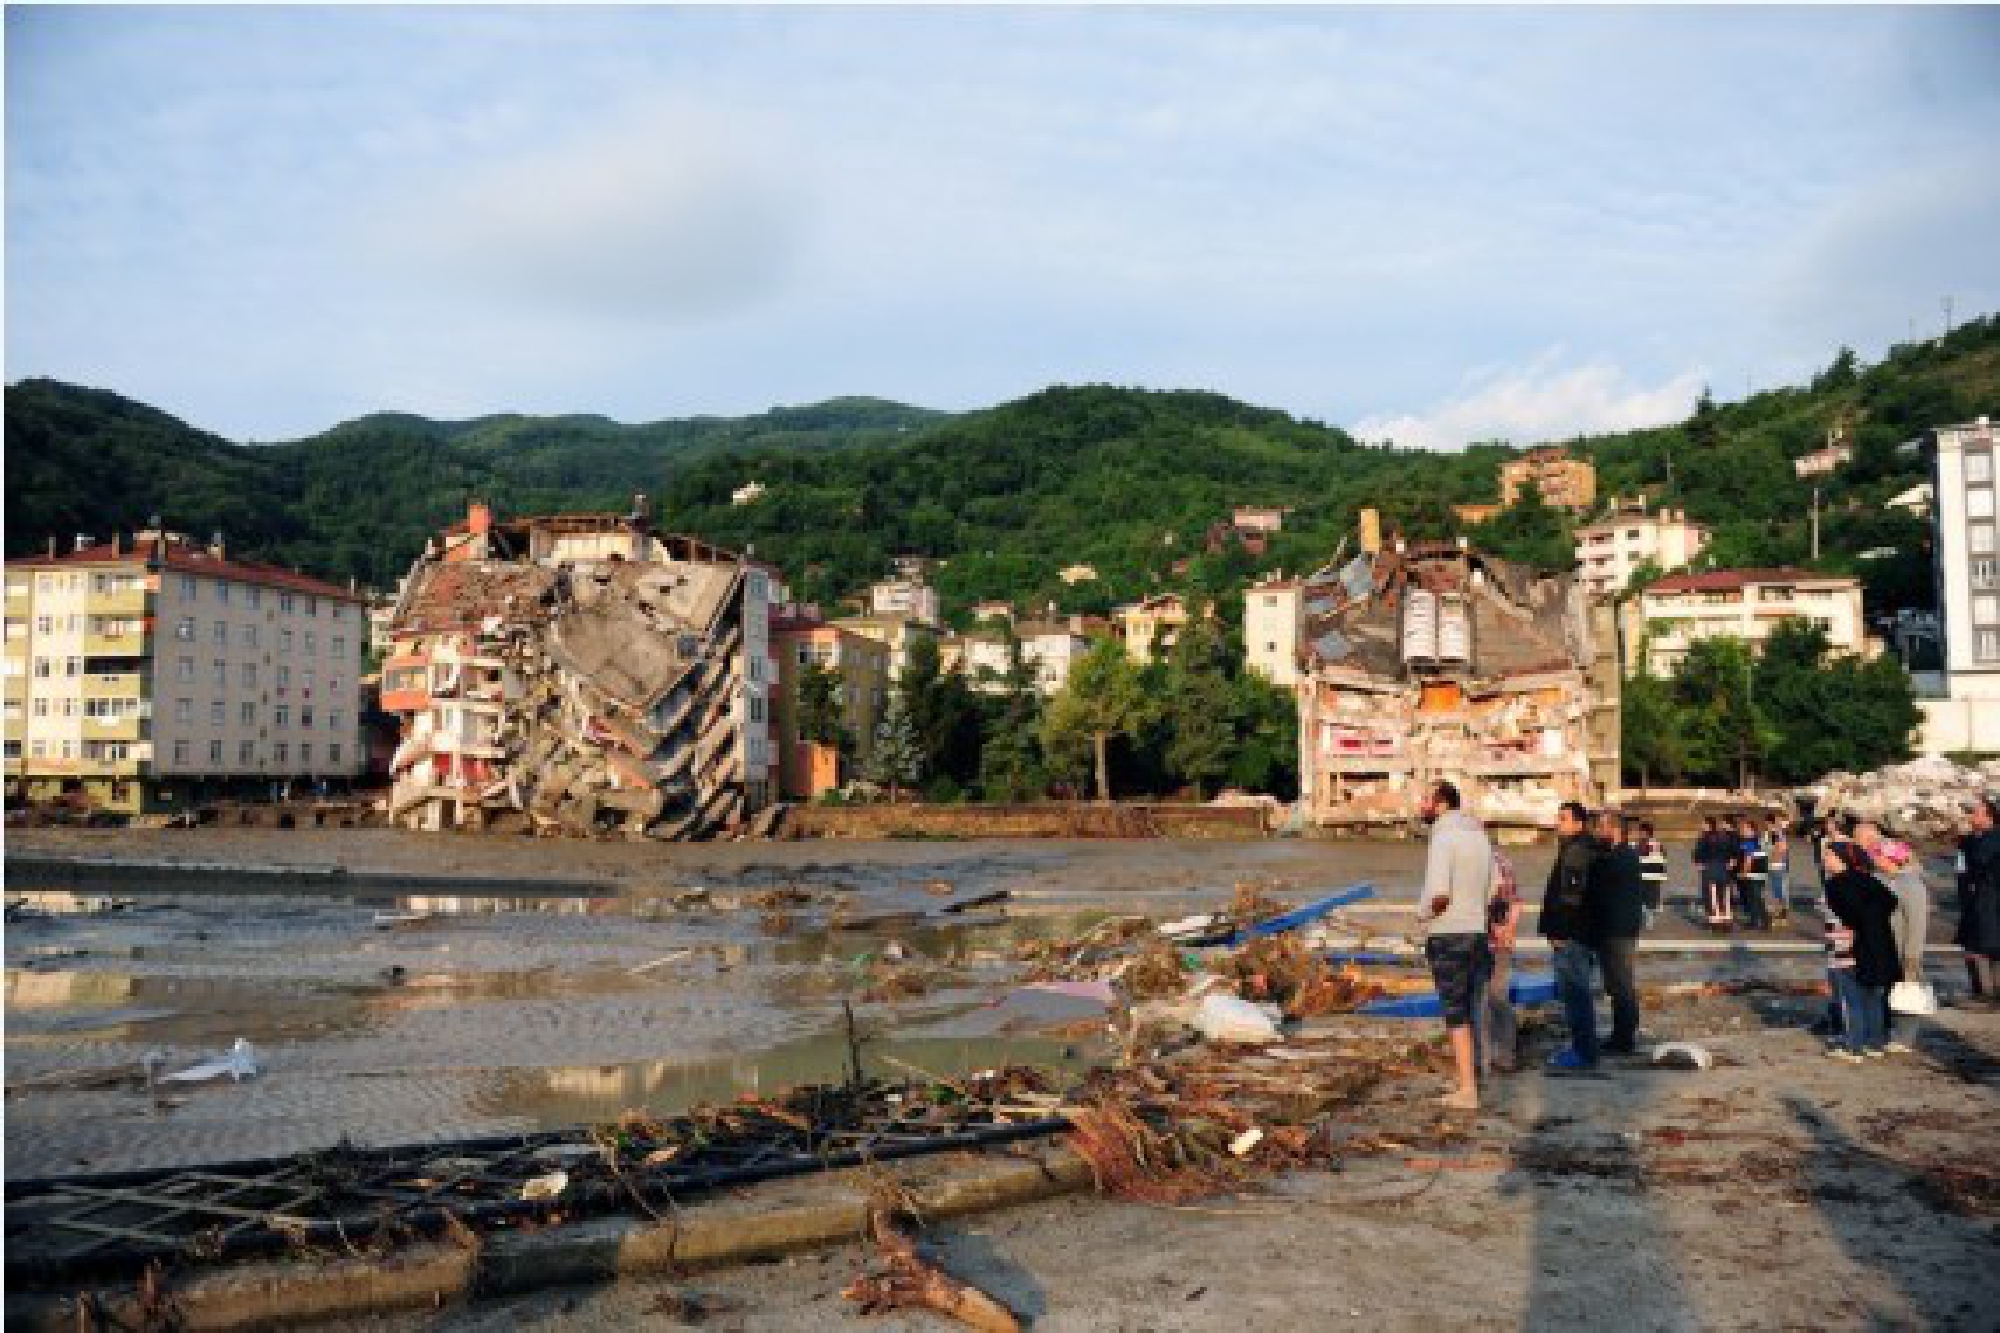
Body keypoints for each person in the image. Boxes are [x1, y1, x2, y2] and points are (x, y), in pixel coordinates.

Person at [1417, 780, 1495, 1110]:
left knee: (1455, 1013)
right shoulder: (1479, 835)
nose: (1420, 805)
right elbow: (1494, 887)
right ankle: (1475, 1076)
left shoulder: (1443, 836)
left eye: (1425, 799)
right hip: (1477, 931)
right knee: (1473, 1006)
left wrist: (1422, 916)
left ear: (1440, 804)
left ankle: (1467, 1089)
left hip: (1449, 932)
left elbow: (1439, 893)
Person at [1821, 840, 1902, 1062]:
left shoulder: (1836, 884)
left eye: (1829, 855)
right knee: (1874, 998)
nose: (1825, 859)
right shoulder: (1868, 880)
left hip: (1849, 947)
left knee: (1851, 1000)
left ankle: (1853, 1046)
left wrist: (1861, 925)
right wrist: (1873, 921)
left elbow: (1849, 917)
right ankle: (1875, 1044)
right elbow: (1891, 901)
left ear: (1842, 860)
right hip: (1880, 946)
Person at [1542, 800, 1603, 1071]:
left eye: (1563, 818)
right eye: (1558, 817)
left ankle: (1583, 1051)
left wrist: (1559, 932)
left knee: (1575, 992)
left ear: (1579, 823)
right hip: (1581, 933)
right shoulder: (1578, 848)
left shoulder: (1577, 851)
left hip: (1572, 937)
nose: (1558, 822)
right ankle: (1583, 1046)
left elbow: (1570, 898)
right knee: (1577, 991)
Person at [1593, 812, 1648, 1055]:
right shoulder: (1623, 855)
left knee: (1621, 984)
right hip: (1620, 928)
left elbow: (1603, 885)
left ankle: (1624, 1037)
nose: (1598, 831)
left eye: (1602, 827)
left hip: (1619, 930)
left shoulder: (1621, 857)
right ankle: (1624, 1032)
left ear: (1613, 829)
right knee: (1619, 984)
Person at [1876, 836, 1929, 1053]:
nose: (1875, 860)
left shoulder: (1911, 884)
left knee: (1908, 991)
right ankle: (1895, 1033)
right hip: (1890, 947)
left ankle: (1906, 1038)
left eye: (1878, 855)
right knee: (1893, 991)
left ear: (1892, 859)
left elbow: (1917, 923)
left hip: (1904, 949)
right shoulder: (1893, 880)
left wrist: (1912, 957)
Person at [1480, 843, 1523, 1077]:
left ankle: (1485, 1056)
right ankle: (1506, 1055)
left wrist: (1495, 928)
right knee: (1500, 998)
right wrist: (1508, 930)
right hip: (1502, 940)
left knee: (1483, 1000)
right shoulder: (1504, 861)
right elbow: (1516, 902)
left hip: (1481, 940)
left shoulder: (1475, 861)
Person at [1958, 796, 2000, 1005]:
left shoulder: (1993, 839)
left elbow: (1978, 865)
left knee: (1983, 945)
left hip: (1988, 899)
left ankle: (1986, 994)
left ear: (1989, 817)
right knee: (1977, 943)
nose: (1971, 815)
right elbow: (1962, 868)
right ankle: (1984, 992)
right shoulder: (1969, 840)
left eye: (1976, 812)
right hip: (1974, 899)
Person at [1695, 816, 1734, 930]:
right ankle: (1727, 922)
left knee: (1712, 896)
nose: (1701, 826)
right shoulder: (1725, 837)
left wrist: (1698, 862)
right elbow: (1732, 852)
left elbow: (1699, 854)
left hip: (1710, 869)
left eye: (1703, 824)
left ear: (1708, 825)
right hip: (1724, 870)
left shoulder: (1704, 838)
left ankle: (1715, 922)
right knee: (1725, 896)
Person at [1735, 814, 1771, 931]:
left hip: (1752, 873)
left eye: (1744, 828)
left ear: (1751, 829)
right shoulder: (1758, 840)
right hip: (1761, 873)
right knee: (1756, 897)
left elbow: (1748, 858)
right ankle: (1760, 921)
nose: (1742, 830)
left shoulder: (1749, 842)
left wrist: (1743, 872)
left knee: (1753, 898)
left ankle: (1759, 921)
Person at [1636, 820, 1668, 927]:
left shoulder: (1643, 844)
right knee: (1652, 896)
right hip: (1656, 875)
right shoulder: (1657, 843)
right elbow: (1664, 856)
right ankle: (1650, 916)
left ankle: (1647, 917)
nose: (1639, 834)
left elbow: (1639, 857)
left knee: (1644, 896)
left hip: (1645, 874)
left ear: (1646, 832)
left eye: (1641, 831)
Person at [1766, 819, 1792, 925]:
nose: (1770, 827)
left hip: (1778, 868)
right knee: (1775, 892)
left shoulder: (1781, 839)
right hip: (1773, 867)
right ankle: (1778, 915)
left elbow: (1780, 853)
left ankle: (1781, 915)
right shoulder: (1772, 837)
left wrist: (1772, 856)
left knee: (1779, 892)